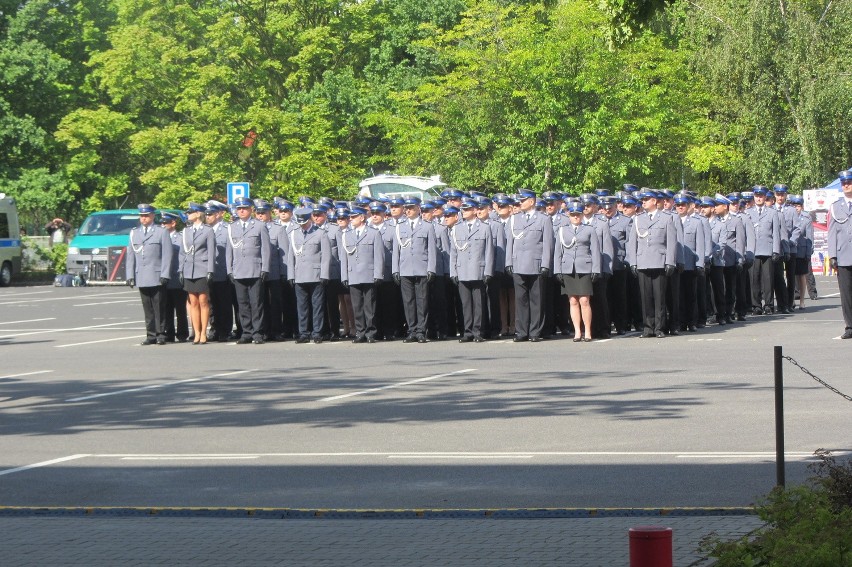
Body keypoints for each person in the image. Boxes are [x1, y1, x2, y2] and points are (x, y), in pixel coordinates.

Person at [505, 189, 554, 342]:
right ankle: (521, 331)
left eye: (523, 200)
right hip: (518, 263)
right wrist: (508, 262)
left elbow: (548, 244)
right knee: (520, 300)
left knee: (536, 300)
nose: (520, 203)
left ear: (532, 201)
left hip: (536, 264)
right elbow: (510, 243)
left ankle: (534, 332)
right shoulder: (514, 219)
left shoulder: (543, 219)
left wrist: (546, 264)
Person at [626, 190, 677, 338]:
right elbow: (632, 243)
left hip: (659, 261)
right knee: (645, 297)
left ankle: (659, 328)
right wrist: (633, 263)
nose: (643, 202)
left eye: (646, 199)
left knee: (659, 297)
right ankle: (648, 328)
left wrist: (670, 262)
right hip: (642, 262)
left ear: (654, 201)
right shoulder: (638, 219)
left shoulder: (666, 218)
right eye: (643, 200)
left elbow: (671, 242)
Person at [391, 196, 437, 343]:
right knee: (408, 301)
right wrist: (395, 270)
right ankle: (411, 330)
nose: (408, 210)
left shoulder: (427, 226)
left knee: (422, 301)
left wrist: (431, 269)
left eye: (411, 208)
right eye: (407, 208)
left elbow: (431, 250)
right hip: (405, 268)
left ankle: (421, 331)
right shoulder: (399, 227)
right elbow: (396, 251)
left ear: (418, 208)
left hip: (421, 268)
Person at [226, 197, 271, 344]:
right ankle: (246, 332)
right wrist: (229, 270)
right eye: (239, 209)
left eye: (244, 208)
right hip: (238, 270)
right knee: (242, 303)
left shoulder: (259, 226)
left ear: (251, 209)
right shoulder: (232, 227)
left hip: (255, 269)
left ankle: (258, 332)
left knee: (256, 303)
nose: (241, 211)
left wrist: (265, 268)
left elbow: (265, 249)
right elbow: (229, 251)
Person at [125, 204, 173, 345]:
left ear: (152, 216)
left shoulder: (161, 232)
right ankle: (150, 334)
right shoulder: (134, 233)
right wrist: (130, 275)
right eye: (141, 216)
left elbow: (167, 255)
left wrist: (165, 273)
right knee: (147, 308)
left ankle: (160, 334)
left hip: (157, 274)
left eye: (146, 216)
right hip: (142, 275)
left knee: (159, 307)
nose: (143, 218)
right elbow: (131, 255)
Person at [554, 202, 601, 342]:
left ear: (582, 215)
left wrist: (596, 269)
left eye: (578, 214)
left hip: (584, 267)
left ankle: (587, 331)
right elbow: (558, 252)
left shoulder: (589, 230)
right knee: (573, 301)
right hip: (568, 268)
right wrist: (558, 270)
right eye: (573, 215)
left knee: (584, 300)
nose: (576, 217)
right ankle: (577, 331)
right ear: (569, 215)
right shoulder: (562, 230)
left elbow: (595, 251)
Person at [449, 199, 494, 342]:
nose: (464, 212)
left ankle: (478, 331)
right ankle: (467, 331)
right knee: (466, 304)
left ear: (475, 210)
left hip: (478, 270)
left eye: (467, 209)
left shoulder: (485, 228)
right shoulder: (457, 228)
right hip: (462, 271)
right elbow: (453, 253)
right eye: (463, 210)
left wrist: (488, 271)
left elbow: (489, 252)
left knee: (479, 304)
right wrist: (453, 272)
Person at [339, 206, 385, 343]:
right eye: (350, 217)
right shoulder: (347, 235)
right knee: (356, 306)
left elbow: (379, 256)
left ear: (362, 217)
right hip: (353, 275)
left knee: (369, 306)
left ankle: (371, 332)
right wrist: (344, 276)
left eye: (353, 217)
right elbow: (344, 258)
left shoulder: (373, 233)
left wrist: (378, 274)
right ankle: (360, 332)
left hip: (368, 274)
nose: (351, 219)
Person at [287, 206, 331, 344]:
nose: (302, 225)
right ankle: (303, 333)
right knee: (302, 306)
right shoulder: (294, 234)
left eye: (304, 222)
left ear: (309, 219)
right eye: (300, 223)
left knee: (317, 306)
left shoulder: (320, 233)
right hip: (299, 275)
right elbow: (290, 257)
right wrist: (291, 275)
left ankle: (317, 332)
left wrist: (324, 274)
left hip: (316, 274)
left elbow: (326, 256)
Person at [179, 202, 215, 345]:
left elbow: (211, 252)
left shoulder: (207, 230)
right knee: (193, 302)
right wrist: (181, 270)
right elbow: (182, 253)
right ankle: (197, 332)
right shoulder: (186, 231)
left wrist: (210, 270)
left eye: (190, 212)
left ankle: (204, 333)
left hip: (202, 268)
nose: (188, 215)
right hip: (189, 270)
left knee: (203, 301)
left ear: (198, 214)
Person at [745, 185, 781, 315]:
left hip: (767, 249)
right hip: (753, 251)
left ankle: (769, 305)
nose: (759, 198)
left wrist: (776, 250)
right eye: (756, 196)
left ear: (765, 197)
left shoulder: (772, 212)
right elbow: (745, 234)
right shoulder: (748, 213)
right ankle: (756, 305)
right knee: (754, 279)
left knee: (768, 280)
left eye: (761, 196)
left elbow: (776, 233)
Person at [827, 170, 852, 339]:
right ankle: (850, 326)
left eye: (848, 182)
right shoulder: (836, 207)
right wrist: (833, 255)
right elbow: (832, 233)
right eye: (843, 183)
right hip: (844, 256)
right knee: (846, 294)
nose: (846, 185)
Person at [205, 201, 233, 342]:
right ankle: (214, 329)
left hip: (223, 271)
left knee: (224, 304)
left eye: (210, 214)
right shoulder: (204, 230)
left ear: (218, 214)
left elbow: (230, 251)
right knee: (210, 303)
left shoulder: (227, 229)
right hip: (208, 272)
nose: (207, 217)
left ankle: (225, 330)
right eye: (206, 214)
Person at [160, 212, 189, 343]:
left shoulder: (180, 237)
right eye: (162, 223)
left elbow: (184, 256)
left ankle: (182, 333)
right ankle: (168, 333)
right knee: (166, 308)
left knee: (180, 308)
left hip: (177, 276)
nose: (163, 225)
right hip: (164, 277)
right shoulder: (159, 237)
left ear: (173, 223)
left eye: (166, 223)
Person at [788, 195, 813, 310]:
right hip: (791, 250)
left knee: (801, 276)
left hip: (801, 251)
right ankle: (791, 299)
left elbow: (809, 237)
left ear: (802, 206)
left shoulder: (806, 218)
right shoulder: (789, 215)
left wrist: (808, 253)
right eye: (794, 205)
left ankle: (802, 301)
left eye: (798, 206)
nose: (796, 208)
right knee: (790, 276)